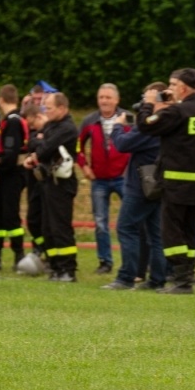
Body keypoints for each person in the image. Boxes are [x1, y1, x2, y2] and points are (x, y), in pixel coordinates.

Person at [136, 68, 195, 294]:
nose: (169, 89)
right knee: (189, 230)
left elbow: (145, 125)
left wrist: (149, 103)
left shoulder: (179, 112)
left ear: (182, 87)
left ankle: (180, 279)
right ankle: (186, 278)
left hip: (176, 184)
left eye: (172, 85)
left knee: (172, 231)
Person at [101, 82, 168, 290]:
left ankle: (126, 276)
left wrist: (118, 126)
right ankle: (157, 278)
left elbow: (122, 144)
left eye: (147, 99)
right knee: (156, 234)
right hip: (157, 185)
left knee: (126, 227)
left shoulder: (153, 124)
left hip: (140, 186)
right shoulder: (168, 122)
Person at [76, 83, 131, 274]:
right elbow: (78, 146)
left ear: (117, 100)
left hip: (123, 178)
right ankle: (105, 261)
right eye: (101, 98)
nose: (104, 101)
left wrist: (130, 169)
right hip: (99, 179)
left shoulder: (128, 119)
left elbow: (137, 142)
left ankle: (132, 261)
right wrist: (84, 165)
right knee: (100, 222)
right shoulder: (89, 121)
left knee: (130, 222)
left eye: (108, 97)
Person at [24, 92, 79, 282]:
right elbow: (33, 143)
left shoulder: (68, 128)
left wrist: (40, 145)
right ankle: (55, 266)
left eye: (49, 108)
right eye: (45, 108)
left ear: (62, 108)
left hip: (61, 184)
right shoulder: (51, 126)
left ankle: (68, 269)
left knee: (60, 227)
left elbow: (44, 148)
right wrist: (39, 144)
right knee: (48, 227)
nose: (46, 111)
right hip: (47, 182)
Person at [0, 84, 27, 270]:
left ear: (1, 100)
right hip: (6, 174)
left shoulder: (13, 121)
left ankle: (19, 256)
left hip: (11, 174)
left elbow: (10, 154)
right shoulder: (11, 120)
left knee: (11, 216)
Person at [21, 100, 47, 259]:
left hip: (46, 182)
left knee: (44, 219)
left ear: (38, 116)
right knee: (32, 219)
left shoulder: (50, 129)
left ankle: (44, 249)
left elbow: (46, 146)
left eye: (32, 124)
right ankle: (40, 247)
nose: (30, 129)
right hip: (33, 182)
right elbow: (31, 143)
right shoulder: (34, 133)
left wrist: (40, 141)